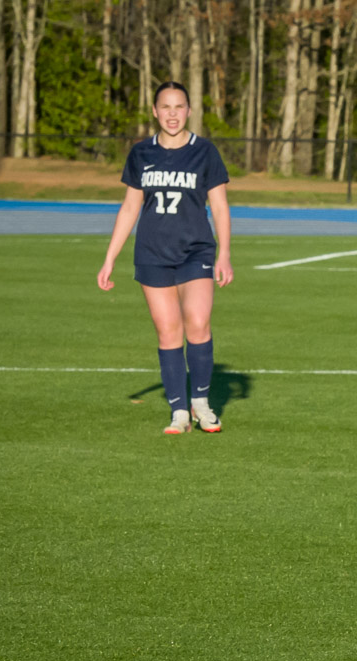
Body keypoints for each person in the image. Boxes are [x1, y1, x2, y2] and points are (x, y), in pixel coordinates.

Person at [97, 80, 233, 434]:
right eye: (166, 107)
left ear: (189, 111)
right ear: (155, 111)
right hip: (153, 253)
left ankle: (201, 402)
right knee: (168, 331)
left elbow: (219, 207)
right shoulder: (142, 153)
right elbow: (130, 208)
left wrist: (225, 254)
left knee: (198, 322)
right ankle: (178, 412)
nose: (172, 114)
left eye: (179, 107)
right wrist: (110, 257)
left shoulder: (205, 152)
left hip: (196, 251)